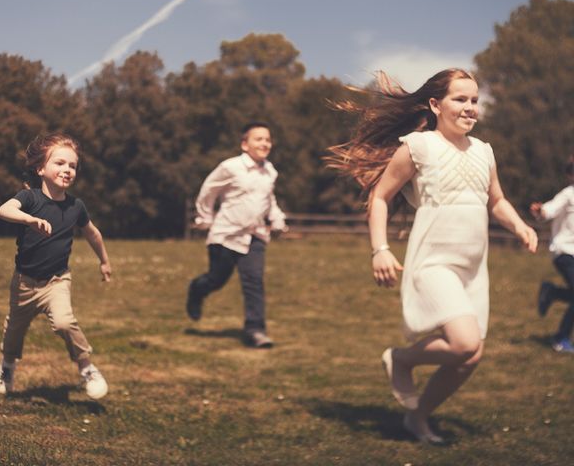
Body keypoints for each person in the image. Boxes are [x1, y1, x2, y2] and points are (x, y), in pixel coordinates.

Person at [328, 69, 537, 444]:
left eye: (474, 100)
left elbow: (497, 200)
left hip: (473, 270)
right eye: (460, 99)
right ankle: (402, 359)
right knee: (464, 343)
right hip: (434, 261)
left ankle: (418, 418)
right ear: (435, 104)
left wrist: (520, 226)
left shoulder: (484, 152)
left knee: (469, 358)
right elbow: (380, 197)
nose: (469, 107)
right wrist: (380, 249)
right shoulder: (419, 146)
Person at [0, 133, 112, 400]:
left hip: (57, 281)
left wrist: (104, 261)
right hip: (24, 283)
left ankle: (87, 368)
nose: (67, 170)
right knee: (14, 329)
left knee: (64, 323)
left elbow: (93, 233)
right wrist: (29, 220)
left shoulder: (76, 206)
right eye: (60, 163)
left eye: (72, 166)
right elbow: (4, 210)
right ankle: (8, 366)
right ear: (40, 169)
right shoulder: (29, 198)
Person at [186, 122, 287, 348]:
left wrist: (277, 218)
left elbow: (268, 201)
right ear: (245, 144)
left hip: (255, 235)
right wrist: (205, 219)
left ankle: (255, 330)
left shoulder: (270, 171)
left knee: (254, 282)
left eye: (267, 140)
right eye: (258, 139)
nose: (264, 143)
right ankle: (197, 289)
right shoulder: (230, 167)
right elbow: (207, 191)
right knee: (216, 279)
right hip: (226, 235)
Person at [530, 157, 574, 353]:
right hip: (564, 251)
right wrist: (541, 211)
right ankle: (560, 338)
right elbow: (551, 208)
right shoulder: (568, 194)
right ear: (570, 175)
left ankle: (552, 292)